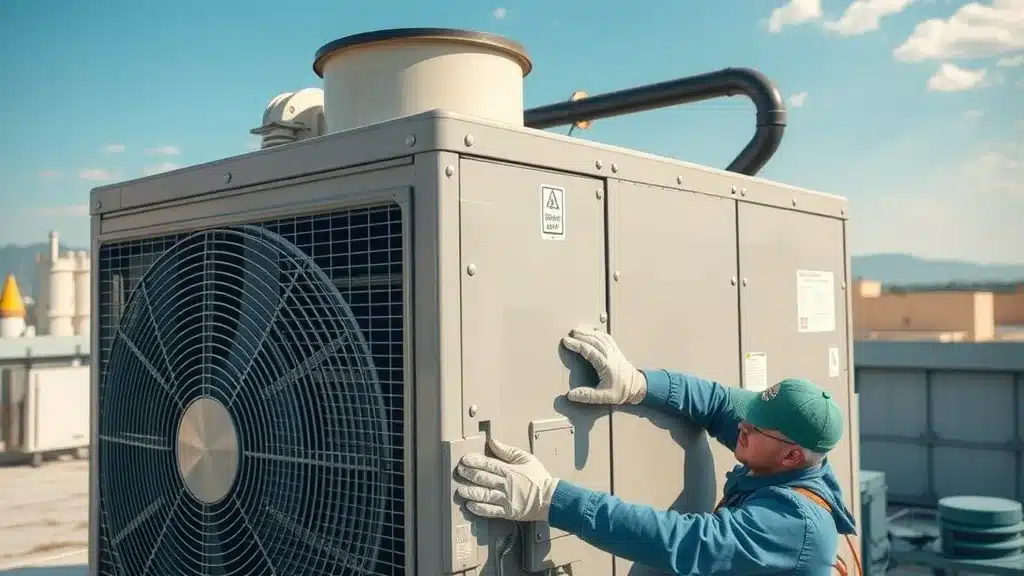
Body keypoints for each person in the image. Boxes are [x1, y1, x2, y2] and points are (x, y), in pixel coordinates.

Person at [455, 326, 861, 575]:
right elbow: (719, 402)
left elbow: (685, 541)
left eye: (754, 427)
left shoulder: (796, 523)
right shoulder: (780, 451)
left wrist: (552, 499)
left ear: (792, 455)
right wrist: (636, 383)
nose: (742, 425)